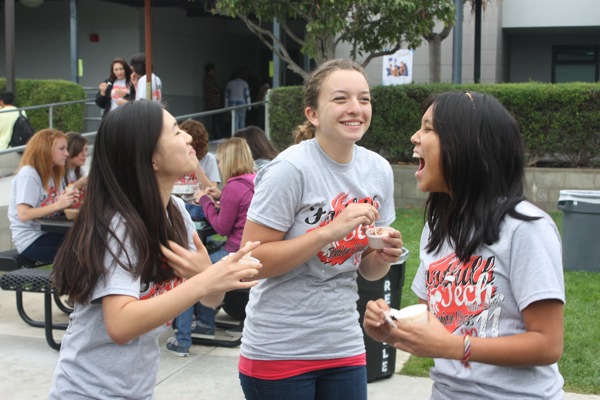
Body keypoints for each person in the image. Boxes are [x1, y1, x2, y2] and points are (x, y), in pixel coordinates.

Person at [48, 100, 261, 399]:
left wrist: (206, 276)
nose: (188, 138)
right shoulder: (119, 224)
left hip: (136, 389)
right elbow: (120, 324)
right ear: (151, 159)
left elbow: (212, 299)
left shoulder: (174, 211)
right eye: (175, 132)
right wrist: (205, 279)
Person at [363, 91, 565, 399]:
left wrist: (456, 347)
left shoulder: (525, 227)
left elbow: (548, 344)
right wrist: (391, 327)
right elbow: (434, 321)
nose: (415, 137)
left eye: (428, 128)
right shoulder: (437, 226)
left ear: (466, 144)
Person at [237, 59, 403, 400]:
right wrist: (329, 231)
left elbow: (369, 272)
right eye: (340, 99)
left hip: (343, 342)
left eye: (364, 99)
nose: (355, 109)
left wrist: (383, 255)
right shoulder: (290, 169)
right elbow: (251, 262)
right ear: (312, 114)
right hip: (280, 347)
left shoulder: (378, 170)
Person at [168, 137, 256, 355]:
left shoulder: (234, 187)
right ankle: (206, 325)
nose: (218, 164)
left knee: (190, 278)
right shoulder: (252, 180)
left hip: (234, 253)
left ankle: (182, 340)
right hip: (250, 251)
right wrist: (220, 197)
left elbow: (221, 228)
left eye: (220, 161)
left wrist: (205, 201)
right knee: (205, 265)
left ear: (228, 160)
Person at [8, 129, 80, 264]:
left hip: (47, 232)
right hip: (31, 240)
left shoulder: (55, 172)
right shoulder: (29, 174)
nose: (67, 153)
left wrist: (67, 201)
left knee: (89, 240)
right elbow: (24, 214)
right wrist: (58, 205)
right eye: (62, 149)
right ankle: (67, 284)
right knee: (83, 249)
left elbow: (52, 208)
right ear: (46, 150)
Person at [177, 119, 221, 221]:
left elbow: (212, 189)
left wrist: (196, 165)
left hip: (200, 206)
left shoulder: (208, 159)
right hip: (184, 203)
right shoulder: (179, 157)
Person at [63, 132, 88, 207]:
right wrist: (77, 185)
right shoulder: (58, 172)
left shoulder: (80, 171)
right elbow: (57, 201)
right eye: (80, 150)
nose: (84, 154)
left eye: (86, 150)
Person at [203, 63, 224, 139]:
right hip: (213, 102)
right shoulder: (208, 79)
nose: (214, 71)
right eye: (213, 70)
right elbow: (215, 89)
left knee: (216, 119)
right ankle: (216, 135)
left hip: (215, 102)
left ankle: (217, 134)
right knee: (215, 120)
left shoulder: (211, 79)